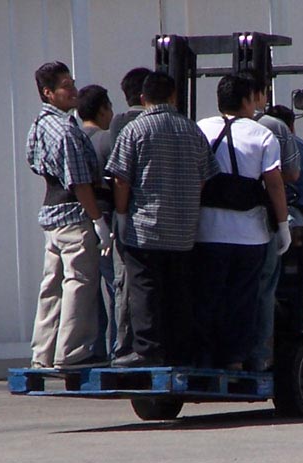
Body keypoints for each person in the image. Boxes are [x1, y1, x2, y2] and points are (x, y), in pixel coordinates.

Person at [105, 71, 218, 367]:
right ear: (173, 97)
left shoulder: (134, 130)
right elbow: (205, 177)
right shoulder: (192, 131)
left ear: (143, 99)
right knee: (178, 291)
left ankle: (147, 349)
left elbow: (120, 179)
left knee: (145, 288)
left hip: (145, 227)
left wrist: (120, 213)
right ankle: (180, 350)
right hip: (183, 229)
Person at [195, 74, 291, 371]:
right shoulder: (262, 134)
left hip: (207, 232)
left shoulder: (199, 129)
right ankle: (236, 360)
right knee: (242, 300)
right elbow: (274, 184)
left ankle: (204, 357)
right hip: (250, 236)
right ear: (248, 100)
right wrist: (283, 224)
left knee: (207, 297)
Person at [26, 61, 111, 370]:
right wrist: (98, 220)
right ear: (48, 93)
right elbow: (79, 182)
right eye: (66, 86)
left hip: (51, 215)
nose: (73, 90)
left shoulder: (40, 123)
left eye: (72, 83)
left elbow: (33, 161)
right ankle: (72, 353)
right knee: (79, 281)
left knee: (52, 285)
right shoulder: (65, 130)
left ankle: (43, 353)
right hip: (74, 215)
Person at [240, 72, 300, 372]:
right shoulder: (271, 127)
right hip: (264, 221)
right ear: (259, 95)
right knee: (264, 288)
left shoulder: (213, 127)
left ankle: (232, 354)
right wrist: (283, 224)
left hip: (221, 226)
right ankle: (261, 354)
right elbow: (289, 175)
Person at [109, 67, 151, 359]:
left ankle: (123, 344)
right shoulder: (169, 121)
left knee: (124, 282)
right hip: (156, 217)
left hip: (128, 213)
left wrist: (121, 213)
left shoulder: (120, 123)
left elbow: (118, 176)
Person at [77, 84, 116, 358]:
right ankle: (117, 348)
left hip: (79, 217)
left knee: (89, 290)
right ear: (102, 109)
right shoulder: (106, 139)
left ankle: (94, 350)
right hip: (106, 214)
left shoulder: (75, 137)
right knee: (115, 287)